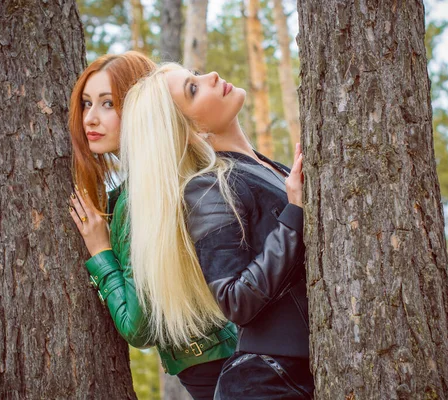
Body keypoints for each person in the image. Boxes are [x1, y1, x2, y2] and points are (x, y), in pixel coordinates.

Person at [120, 63, 313, 399]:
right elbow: (235, 299)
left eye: (195, 75)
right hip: (270, 383)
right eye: (193, 89)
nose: (210, 77)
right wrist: (295, 212)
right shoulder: (207, 189)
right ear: (191, 131)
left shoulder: (268, 168)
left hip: (298, 372)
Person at [66, 53, 237, 400]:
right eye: (86, 104)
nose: (90, 119)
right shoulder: (187, 167)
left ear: (142, 107)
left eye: (108, 104)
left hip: (212, 369)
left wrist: (101, 253)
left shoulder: (141, 199)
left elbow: (138, 328)